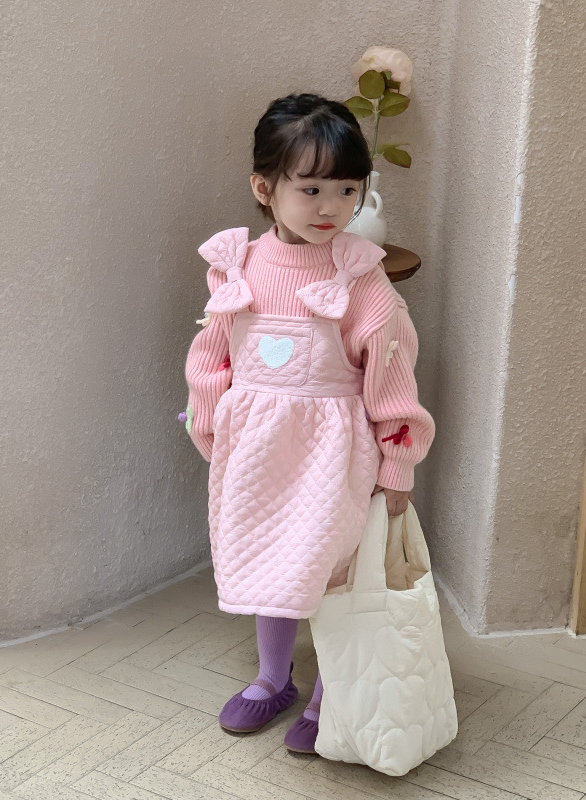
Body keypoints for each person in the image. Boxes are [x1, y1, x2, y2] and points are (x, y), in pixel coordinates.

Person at [181, 93, 435, 754]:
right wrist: (209, 419)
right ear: (264, 188)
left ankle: (331, 690)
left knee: (330, 567)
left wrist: (397, 463)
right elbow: (214, 351)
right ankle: (273, 678)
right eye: (311, 188)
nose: (331, 207)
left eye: (348, 190)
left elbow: (391, 376)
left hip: (331, 454)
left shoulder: (361, 280)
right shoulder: (238, 266)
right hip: (257, 452)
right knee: (270, 558)